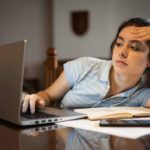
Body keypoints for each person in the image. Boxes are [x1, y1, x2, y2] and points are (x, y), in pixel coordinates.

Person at [22, 17, 150, 149]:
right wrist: (39, 98)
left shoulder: (144, 92)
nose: (122, 52)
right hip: (56, 134)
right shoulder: (84, 67)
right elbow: (48, 95)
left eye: (134, 47)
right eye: (119, 43)